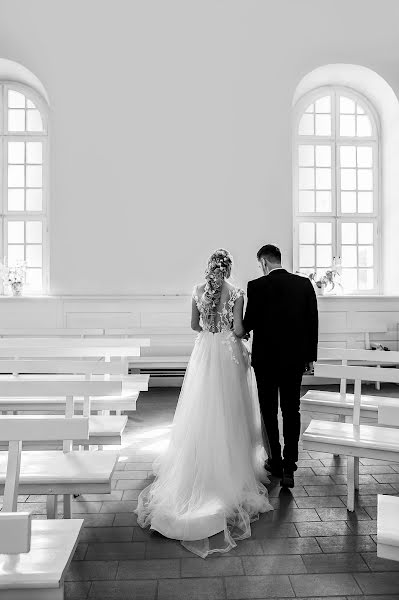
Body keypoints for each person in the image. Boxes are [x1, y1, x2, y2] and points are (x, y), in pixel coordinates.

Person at [136, 249, 273, 558]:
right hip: (228, 355)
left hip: (205, 354)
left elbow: (194, 325)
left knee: (202, 408)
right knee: (231, 411)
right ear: (228, 269)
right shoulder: (237, 293)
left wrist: (209, 328)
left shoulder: (197, 291)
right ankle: (231, 463)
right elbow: (238, 330)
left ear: (209, 267)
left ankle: (199, 462)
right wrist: (240, 332)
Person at [243, 244, 318, 489]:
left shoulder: (256, 286)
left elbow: (249, 323)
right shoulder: (303, 284)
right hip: (294, 360)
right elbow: (312, 324)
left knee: (269, 410)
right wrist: (309, 358)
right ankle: (290, 465)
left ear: (264, 262)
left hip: (265, 360)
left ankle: (274, 460)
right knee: (291, 410)